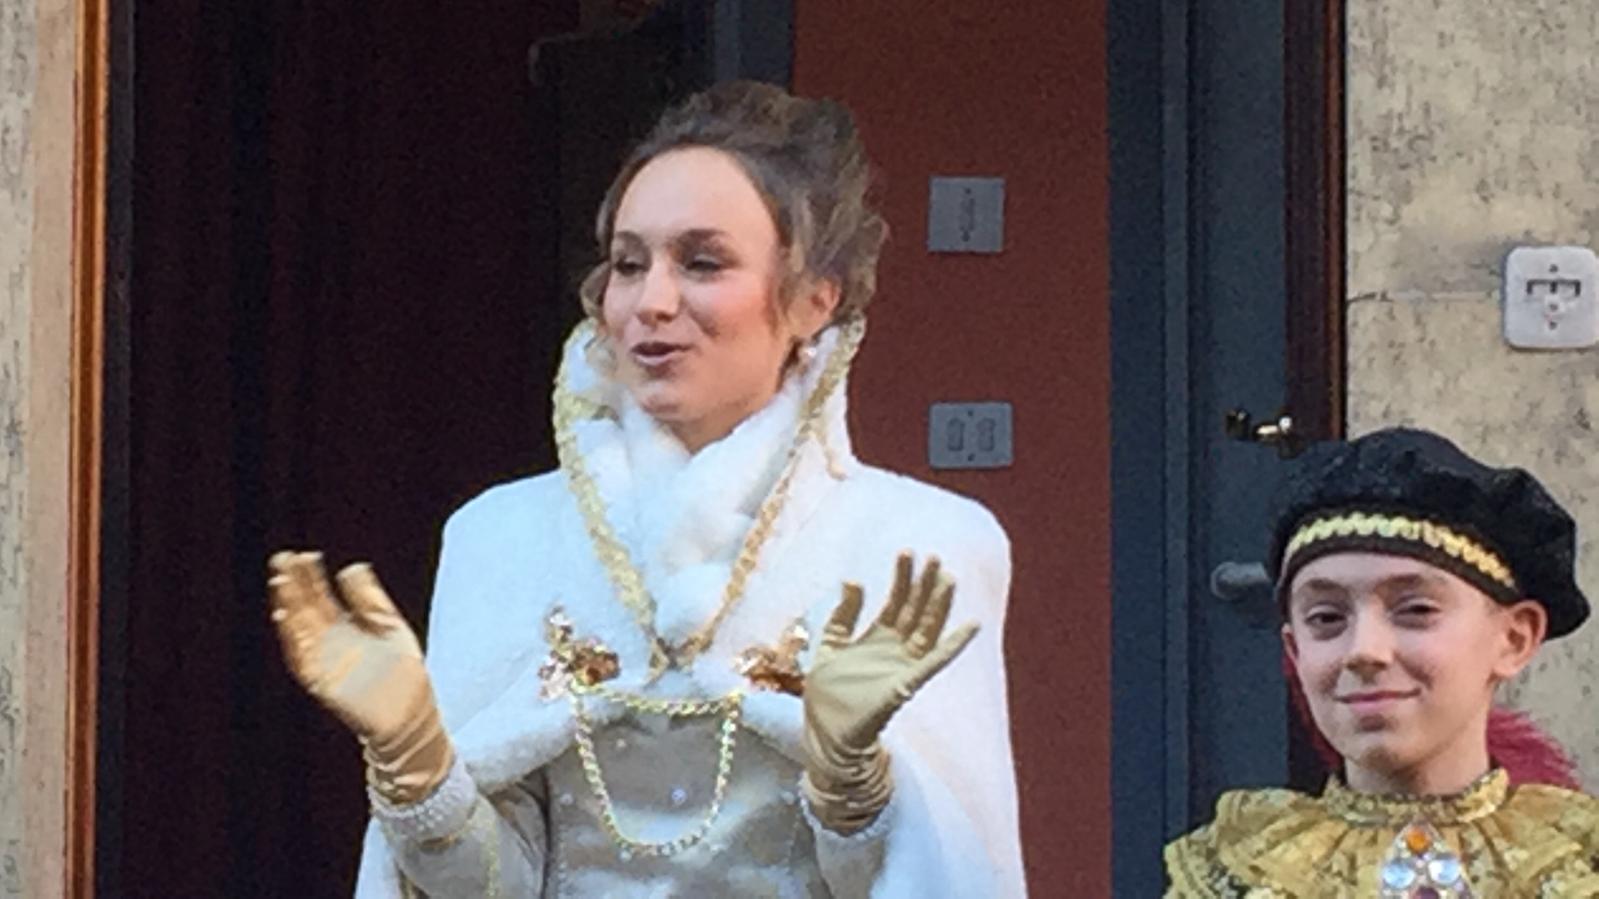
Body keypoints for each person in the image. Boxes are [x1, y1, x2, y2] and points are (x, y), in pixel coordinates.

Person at [267, 80, 1025, 897]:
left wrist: (852, 781)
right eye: (629, 265)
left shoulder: (922, 545)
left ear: (814, 299)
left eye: (702, 262)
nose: (651, 302)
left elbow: (946, 879)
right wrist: (414, 758)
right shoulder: (498, 536)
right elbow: (491, 885)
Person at [1166, 427, 1599, 897]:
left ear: (1513, 639)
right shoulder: (1238, 875)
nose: (1364, 650)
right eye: (1327, 618)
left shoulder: (1578, 869)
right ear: (1294, 650)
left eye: (1416, 610)